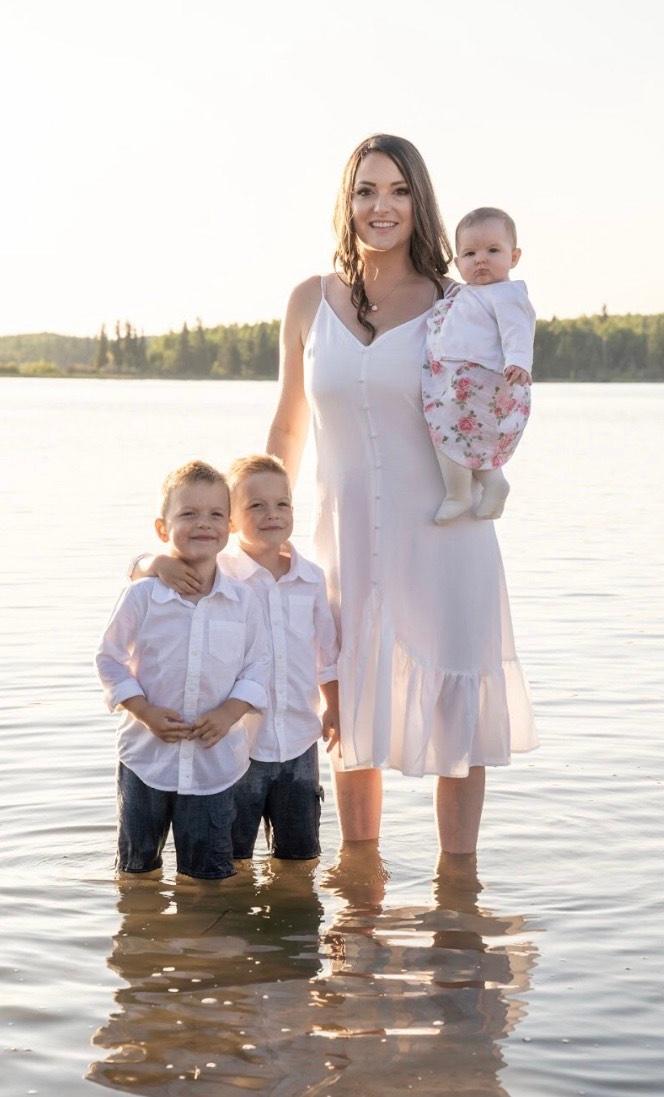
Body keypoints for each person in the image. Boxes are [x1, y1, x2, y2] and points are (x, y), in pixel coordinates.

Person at [266, 133, 538, 855]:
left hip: (447, 537)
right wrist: (256, 532)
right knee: (351, 718)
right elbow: (289, 428)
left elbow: (497, 399)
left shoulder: (461, 303)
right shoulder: (306, 302)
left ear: (421, 202)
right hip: (341, 541)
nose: (380, 207)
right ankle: (360, 906)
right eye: (365, 191)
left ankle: (459, 896)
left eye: (397, 191)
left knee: (460, 722)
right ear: (345, 203)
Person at [130, 454, 340, 862]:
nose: (271, 515)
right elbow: (138, 569)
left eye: (282, 504)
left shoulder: (311, 577)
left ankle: (293, 920)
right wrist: (154, 562)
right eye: (255, 506)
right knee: (234, 855)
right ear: (230, 520)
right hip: (237, 744)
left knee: (300, 856)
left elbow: (326, 651)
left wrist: (334, 703)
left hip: (299, 736)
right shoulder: (217, 570)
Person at [96, 460, 269, 881]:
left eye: (214, 515)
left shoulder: (243, 601)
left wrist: (230, 712)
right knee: (137, 874)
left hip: (214, 763)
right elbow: (109, 658)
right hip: (146, 759)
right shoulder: (142, 596)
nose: (202, 524)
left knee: (208, 877)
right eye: (188, 514)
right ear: (162, 529)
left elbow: (260, 665)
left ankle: (203, 940)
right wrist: (144, 711)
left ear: (229, 527)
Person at [423, 207, 535, 523]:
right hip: (460, 381)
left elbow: (518, 330)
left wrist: (518, 361)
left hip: (483, 379)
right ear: (458, 263)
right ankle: (494, 483)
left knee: (447, 429)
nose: (480, 259)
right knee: (456, 433)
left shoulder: (506, 294)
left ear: (514, 257)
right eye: (470, 253)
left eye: (492, 250)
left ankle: (458, 494)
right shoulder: (465, 293)